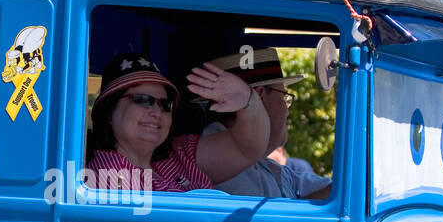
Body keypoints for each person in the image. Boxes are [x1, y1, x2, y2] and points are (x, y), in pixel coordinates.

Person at [85, 52, 268, 192]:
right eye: (142, 99)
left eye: (166, 104)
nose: (157, 111)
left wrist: (248, 100)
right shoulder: (105, 178)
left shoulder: (179, 153)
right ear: (109, 111)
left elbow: (247, 149)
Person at [201, 51, 331, 199]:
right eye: (284, 96)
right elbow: (273, 220)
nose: (287, 110)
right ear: (261, 96)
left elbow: (333, 192)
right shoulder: (220, 157)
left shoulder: (266, 166)